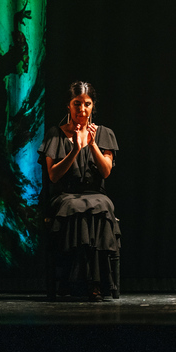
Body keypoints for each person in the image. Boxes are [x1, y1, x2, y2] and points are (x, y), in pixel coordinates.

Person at [38, 81, 120, 301]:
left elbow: (105, 172)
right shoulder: (55, 134)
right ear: (69, 106)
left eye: (87, 104)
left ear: (93, 106)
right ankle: (73, 282)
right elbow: (54, 175)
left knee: (102, 205)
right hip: (65, 195)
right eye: (77, 104)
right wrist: (75, 149)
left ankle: (97, 284)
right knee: (74, 206)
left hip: (95, 194)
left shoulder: (104, 134)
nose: (82, 109)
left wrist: (92, 145)